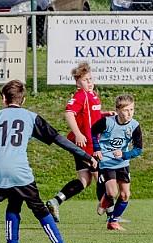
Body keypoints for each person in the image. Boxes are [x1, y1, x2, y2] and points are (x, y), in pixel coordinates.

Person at [0, 79, 97, 243]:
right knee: (39, 208)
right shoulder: (30, 117)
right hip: (18, 169)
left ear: (3, 98)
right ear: (23, 100)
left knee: (14, 203)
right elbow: (58, 139)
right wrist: (85, 156)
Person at [46, 61, 118, 223]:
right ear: (78, 82)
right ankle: (111, 216)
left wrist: (105, 114)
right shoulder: (81, 95)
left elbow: (91, 116)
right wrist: (78, 134)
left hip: (84, 143)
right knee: (102, 176)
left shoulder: (91, 95)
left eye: (90, 79)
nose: (90, 82)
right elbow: (69, 113)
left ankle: (55, 201)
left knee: (84, 181)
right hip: (86, 143)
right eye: (85, 80)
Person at [91, 94, 143, 230]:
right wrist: (97, 149)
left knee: (126, 194)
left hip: (122, 163)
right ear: (118, 110)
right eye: (126, 110)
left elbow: (138, 149)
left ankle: (113, 221)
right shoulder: (107, 122)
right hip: (106, 162)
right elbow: (93, 131)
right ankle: (104, 203)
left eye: (131, 110)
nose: (129, 113)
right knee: (112, 192)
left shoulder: (135, 126)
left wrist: (124, 154)